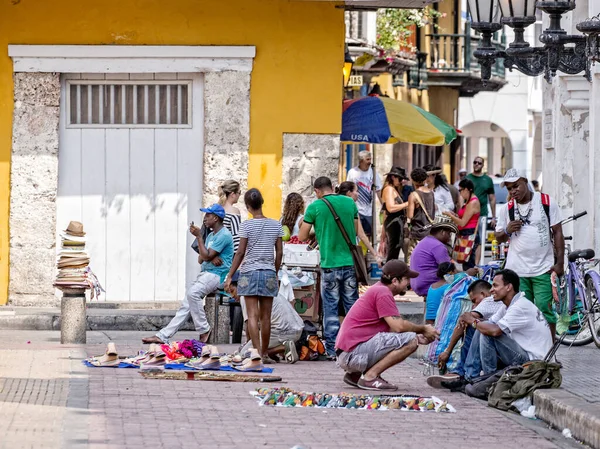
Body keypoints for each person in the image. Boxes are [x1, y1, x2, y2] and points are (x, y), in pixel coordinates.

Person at [335, 260, 440, 391]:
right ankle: (370, 377)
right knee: (411, 341)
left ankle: (355, 375)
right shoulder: (382, 292)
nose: (409, 284)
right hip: (352, 354)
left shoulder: (379, 290)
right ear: (395, 281)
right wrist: (423, 329)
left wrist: (419, 336)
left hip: (348, 353)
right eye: (406, 279)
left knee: (412, 338)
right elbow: (399, 326)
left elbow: (390, 332)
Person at [142, 204, 234, 345]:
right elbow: (200, 258)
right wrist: (209, 255)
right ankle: (163, 335)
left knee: (193, 294)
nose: (205, 219)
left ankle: (204, 329)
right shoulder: (210, 235)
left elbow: (205, 254)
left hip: (218, 275)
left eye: (208, 215)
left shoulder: (224, 235)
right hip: (207, 273)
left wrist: (200, 240)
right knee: (186, 305)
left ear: (215, 218)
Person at [495, 168, 564, 339]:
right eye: (509, 188)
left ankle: (548, 352)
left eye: (516, 186)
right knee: (521, 313)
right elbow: (499, 238)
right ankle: (527, 352)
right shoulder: (506, 209)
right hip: (517, 271)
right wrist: (507, 230)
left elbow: (558, 232)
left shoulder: (546, 201)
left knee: (544, 310)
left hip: (543, 268)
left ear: (525, 181)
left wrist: (560, 263)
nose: (513, 191)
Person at [299, 176, 360, 358]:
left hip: (329, 265)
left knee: (331, 308)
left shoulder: (315, 207)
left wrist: (317, 229)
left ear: (317, 191)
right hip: (349, 263)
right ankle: (355, 345)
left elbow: (302, 236)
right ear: (333, 187)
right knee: (352, 307)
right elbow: (355, 231)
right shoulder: (349, 203)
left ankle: (333, 349)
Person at [457, 270, 553, 381]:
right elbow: (489, 324)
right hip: (525, 355)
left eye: (495, 286)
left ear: (508, 287)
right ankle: (470, 377)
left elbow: (494, 331)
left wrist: (473, 321)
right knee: (483, 327)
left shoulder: (520, 307)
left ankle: (489, 381)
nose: (491, 290)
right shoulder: (508, 305)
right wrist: (474, 321)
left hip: (534, 363)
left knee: (487, 332)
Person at [224, 189, 284, 363]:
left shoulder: (246, 225)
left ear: (248, 206)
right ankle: (264, 353)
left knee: (252, 316)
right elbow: (279, 252)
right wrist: (275, 270)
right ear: (262, 202)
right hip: (268, 273)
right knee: (266, 317)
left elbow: (240, 252)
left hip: (248, 273)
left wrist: (230, 275)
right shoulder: (276, 225)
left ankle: (256, 353)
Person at [426, 280, 504, 389]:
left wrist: (447, 351)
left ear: (483, 294)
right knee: (475, 325)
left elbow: (464, 318)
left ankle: (464, 373)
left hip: (503, 354)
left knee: (473, 326)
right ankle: (465, 373)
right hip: (497, 352)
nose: (473, 305)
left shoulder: (489, 301)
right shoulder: (502, 303)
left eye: (474, 301)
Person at [238, 276, 304, 364]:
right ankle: (273, 352)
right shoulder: (268, 290)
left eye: (232, 291)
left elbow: (249, 325)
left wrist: (248, 345)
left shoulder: (245, 296)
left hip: (283, 331)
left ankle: (283, 348)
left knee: (245, 353)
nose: (232, 295)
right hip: (298, 329)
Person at [409, 217, 457, 297]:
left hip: (417, 284)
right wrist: (467, 273)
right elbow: (449, 270)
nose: (449, 238)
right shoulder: (438, 246)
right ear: (443, 232)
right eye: (449, 234)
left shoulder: (425, 241)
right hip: (428, 284)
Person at [336, 181, 382, 264]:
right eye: (356, 191)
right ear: (349, 193)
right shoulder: (351, 207)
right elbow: (361, 234)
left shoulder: (333, 206)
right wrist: (375, 255)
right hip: (348, 255)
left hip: (332, 255)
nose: (358, 194)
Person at [443, 178, 481, 270]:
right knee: (465, 263)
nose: (459, 193)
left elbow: (463, 223)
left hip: (469, 233)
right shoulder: (467, 201)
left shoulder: (473, 202)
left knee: (469, 265)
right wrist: (454, 215)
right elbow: (463, 217)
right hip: (465, 233)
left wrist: (450, 215)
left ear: (467, 189)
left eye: (460, 190)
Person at [346, 150, 383, 237]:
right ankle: (358, 250)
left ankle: (365, 251)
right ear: (361, 161)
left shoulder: (373, 173)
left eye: (370, 159)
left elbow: (378, 189)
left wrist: (383, 205)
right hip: (356, 209)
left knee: (368, 234)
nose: (370, 162)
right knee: (355, 233)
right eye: (368, 159)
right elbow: (348, 189)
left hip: (369, 211)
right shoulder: (352, 172)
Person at [467, 157, 496, 264]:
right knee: (469, 239)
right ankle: (468, 261)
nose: (477, 164)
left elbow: (492, 198)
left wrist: (493, 217)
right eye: (475, 162)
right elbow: (462, 197)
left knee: (480, 241)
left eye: (479, 163)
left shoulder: (487, 180)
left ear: (483, 165)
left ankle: (477, 263)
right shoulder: (468, 178)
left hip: (482, 215)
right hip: (469, 215)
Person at [407, 168, 436, 262]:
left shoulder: (413, 195)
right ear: (425, 179)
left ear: (413, 180)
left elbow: (410, 216)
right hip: (430, 232)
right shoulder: (431, 193)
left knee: (412, 261)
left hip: (417, 233)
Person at [381, 167, 409, 261]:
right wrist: (407, 204)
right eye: (400, 179)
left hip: (397, 223)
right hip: (393, 224)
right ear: (393, 177)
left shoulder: (394, 189)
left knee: (395, 251)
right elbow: (390, 208)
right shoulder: (389, 189)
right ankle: (388, 274)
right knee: (393, 251)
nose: (402, 181)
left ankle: (391, 273)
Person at [219, 180, 243, 253]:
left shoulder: (215, 209)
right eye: (239, 192)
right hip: (227, 255)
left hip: (213, 253)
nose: (239, 195)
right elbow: (236, 237)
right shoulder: (234, 212)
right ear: (233, 194)